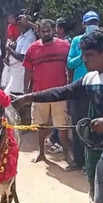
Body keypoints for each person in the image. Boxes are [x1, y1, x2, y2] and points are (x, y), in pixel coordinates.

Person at [13, 27, 103, 203]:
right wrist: (29, 98)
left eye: (89, 55)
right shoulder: (90, 78)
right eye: (83, 55)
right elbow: (62, 92)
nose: (84, 60)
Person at [22, 19, 72, 166]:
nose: (46, 33)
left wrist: (69, 88)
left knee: (62, 126)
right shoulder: (32, 49)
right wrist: (27, 91)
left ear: (53, 30)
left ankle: (66, 155)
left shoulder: (65, 46)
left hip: (60, 93)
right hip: (40, 94)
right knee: (41, 126)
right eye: (43, 31)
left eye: (48, 30)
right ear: (38, 32)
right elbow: (28, 71)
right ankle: (41, 153)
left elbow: (69, 69)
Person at [67, 11, 99, 174]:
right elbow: (70, 63)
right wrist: (82, 53)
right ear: (84, 25)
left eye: (95, 22)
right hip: (79, 89)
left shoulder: (101, 41)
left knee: (94, 125)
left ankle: (90, 163)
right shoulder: (77, 41)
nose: (92, 26)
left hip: (97, 87)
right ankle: (78, 161)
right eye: (89, 23)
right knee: (77, 125)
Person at [2, 14, 36, 95]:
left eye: (21, 23)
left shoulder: (30, 37)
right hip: (13, 71)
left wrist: (9, 49)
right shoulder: (21, 36)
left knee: (12, 96)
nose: (18, 25)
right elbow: (16, 49)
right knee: (7, 94)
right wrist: (12, 47)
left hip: (20, 72)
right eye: (18, 23)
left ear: (27, 24)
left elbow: (22, 57)